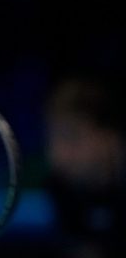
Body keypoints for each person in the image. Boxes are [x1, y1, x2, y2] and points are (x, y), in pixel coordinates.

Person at [43, 71, 124, 258]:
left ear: (110, 137)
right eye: (52, 138)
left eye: (71, 137)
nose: (57, 155)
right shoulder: (59, 186)